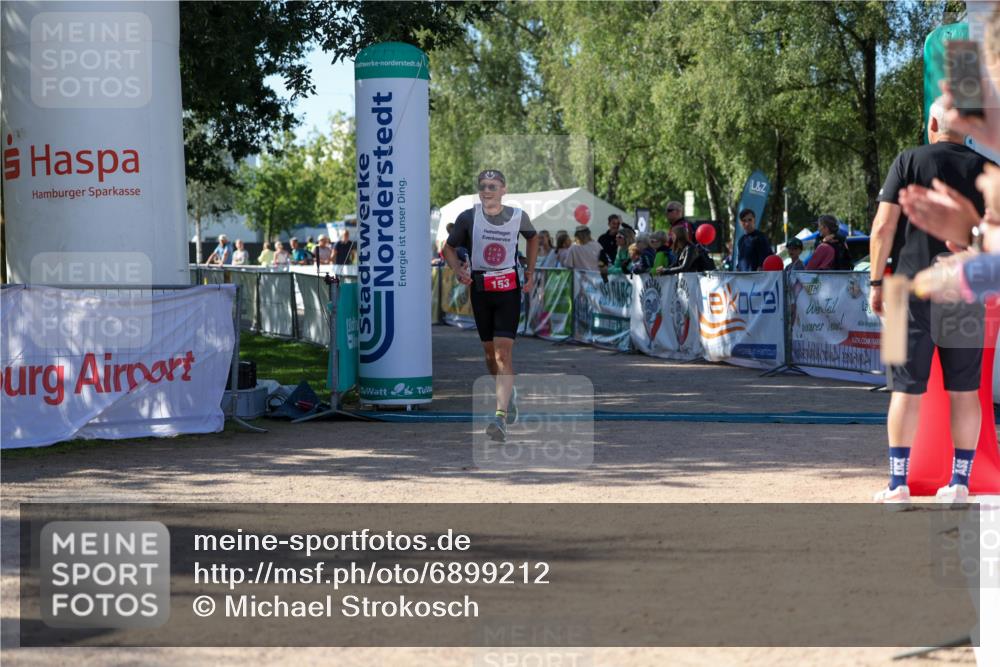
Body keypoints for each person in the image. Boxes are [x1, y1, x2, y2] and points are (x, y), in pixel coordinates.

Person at [868, 99, 990, 505]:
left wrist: (875, 281)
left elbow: (884, 226)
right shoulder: (989, 172)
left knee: (904, 390)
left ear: (933, 122)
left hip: (906, 290)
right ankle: (960, 483)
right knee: (965, 391)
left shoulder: (907, 161)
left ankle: (897, 483)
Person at [442, 169, 539, 443]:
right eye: (483, 186)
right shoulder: (468, 217)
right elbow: (448, 249)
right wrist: (458, 270)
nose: (488, 190)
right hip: (481, 290)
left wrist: (530, 272)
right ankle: (509, 395)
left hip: (509, 289)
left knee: (502, 355)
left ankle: (499, 415)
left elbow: (533, 238)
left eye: (493, 186)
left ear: (503, 190)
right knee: (488, 355)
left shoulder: (518, 216)